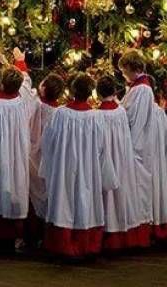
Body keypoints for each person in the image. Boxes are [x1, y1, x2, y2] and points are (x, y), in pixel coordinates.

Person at [40, 72, 117, 260]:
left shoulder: (60, 114)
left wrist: (49, 168)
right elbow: (102, 148)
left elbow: (48, 143)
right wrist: (104, 173)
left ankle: (63, 245)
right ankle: (85, 245)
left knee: (64, 203)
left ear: (72, 90)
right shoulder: (96, 117)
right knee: (86, 203)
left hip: (64, 169)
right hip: (88, 169)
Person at [119, 49, 167, 242]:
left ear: (130, 67)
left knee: (141, 189)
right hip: (139, 144)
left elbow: (136, 121)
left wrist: (129, 147)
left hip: (139, 147)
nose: (122, 74)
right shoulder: (137, 88)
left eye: (123, 70)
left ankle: (143, 230)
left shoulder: (142, 90)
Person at [0, 56, 34, 256]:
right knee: (15, 192)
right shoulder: (24, 100)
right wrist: (19, 60)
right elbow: (27, 81)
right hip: (18, 155)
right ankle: (10, 240)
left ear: (1, 83)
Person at [95, 75, 148, 251]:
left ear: (97, 93)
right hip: (121, 159)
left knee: (106, 196)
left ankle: (106, 231)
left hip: (104, 161)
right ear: (114, 91)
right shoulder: (121, 112)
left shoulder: (96, 115)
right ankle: (121, 231)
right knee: (120, 193)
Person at [26, 72, 65, 248]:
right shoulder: (60, 113)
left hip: (33, 156)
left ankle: (31, 237)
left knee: (32, 199)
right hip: (50, 161)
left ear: (43, 88)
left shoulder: (35, 105)